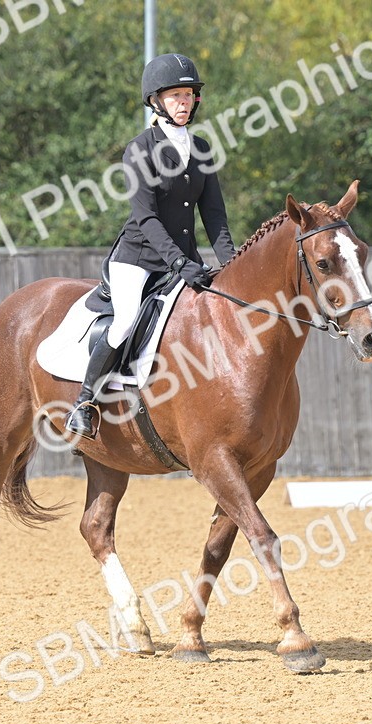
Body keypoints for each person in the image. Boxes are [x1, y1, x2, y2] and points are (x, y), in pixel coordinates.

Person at [66, 53, 237, 439]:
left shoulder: (203, 150)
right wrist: (178, 262)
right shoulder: (139, 149)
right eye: (175, 95)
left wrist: (232, 265)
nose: (183, 102)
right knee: (126, 318)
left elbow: (215, 218)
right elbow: (146, 217)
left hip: (184, 260)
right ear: (156, 101)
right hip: (138, 259)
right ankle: (85, 401)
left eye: (189, 95)